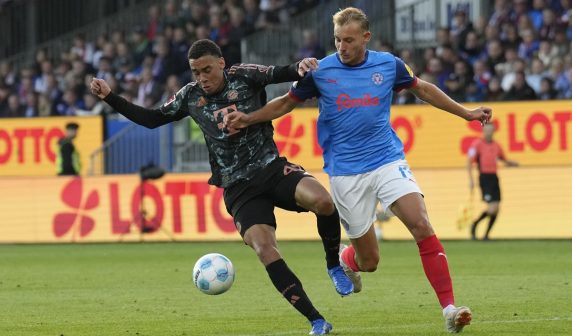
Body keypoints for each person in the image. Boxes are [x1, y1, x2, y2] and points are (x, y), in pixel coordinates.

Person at [223, 7, 493, 333]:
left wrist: (467, 113)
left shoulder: (388, 64)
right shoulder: (321, 71)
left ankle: (449, 309)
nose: (342, 47)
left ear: (366, 37)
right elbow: (285, 103)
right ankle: (347, 260)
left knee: (420, 222)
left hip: (387, 160)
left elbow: (423, 89)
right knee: (370, 262)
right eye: (337, 39)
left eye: (349, 40)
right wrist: (249, 119)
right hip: (346, 173)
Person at [90, 39, 352, 335]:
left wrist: (300, 67)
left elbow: (281, 72)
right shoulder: (189, 97)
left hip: (271, 168)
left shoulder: (244, 76)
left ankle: (333, 265)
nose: (202, 78)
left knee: (324, 202)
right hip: (238, 187)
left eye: (206, 70)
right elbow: (152, 119)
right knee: (265, 249)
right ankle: (316, 320)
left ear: (221, 63)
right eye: (195, 72)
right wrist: (111, 97)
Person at [467, 123, 518, 241]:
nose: (488, 132)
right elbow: (469, 162)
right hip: (484, 177)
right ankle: (475, 224)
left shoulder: (497, 146)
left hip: (494, 177)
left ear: (493, 131)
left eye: (491, 130)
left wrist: (512, 163)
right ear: (483, 131)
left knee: (497, 209)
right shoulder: (477, 145)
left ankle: (486, 235)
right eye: (486, 130)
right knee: (491, 209)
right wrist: (471, 180)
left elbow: (503, 159)